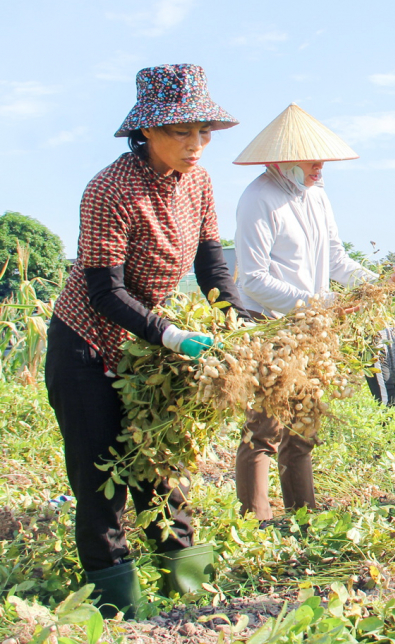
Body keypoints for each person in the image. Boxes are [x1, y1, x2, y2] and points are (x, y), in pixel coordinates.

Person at [45, 64, 243, 618]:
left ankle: (188, 592)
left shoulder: (199, 182)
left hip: (145, 350)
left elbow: (212, 267)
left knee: (158, 466)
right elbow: (104, 292)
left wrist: (236, 318)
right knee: (101, 475)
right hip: (86, 345)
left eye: (201, 130)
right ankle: (117, 609)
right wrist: (173, 334)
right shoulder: (110, 189)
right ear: (146, 132)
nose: (196, 144)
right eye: (181, 131)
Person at [232, 104, 376, 520]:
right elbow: (253, 280)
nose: (320, 166)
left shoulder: (317, 196)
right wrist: (320, 304)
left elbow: (335, 259)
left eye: (322, 159)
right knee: (264, 428)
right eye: (312, 159)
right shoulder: (258, 199)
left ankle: (303, 515)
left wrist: (373, 283)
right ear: (282, 158)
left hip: (312, 327)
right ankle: (255, 522)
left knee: (303, 427)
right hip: (271, 325)